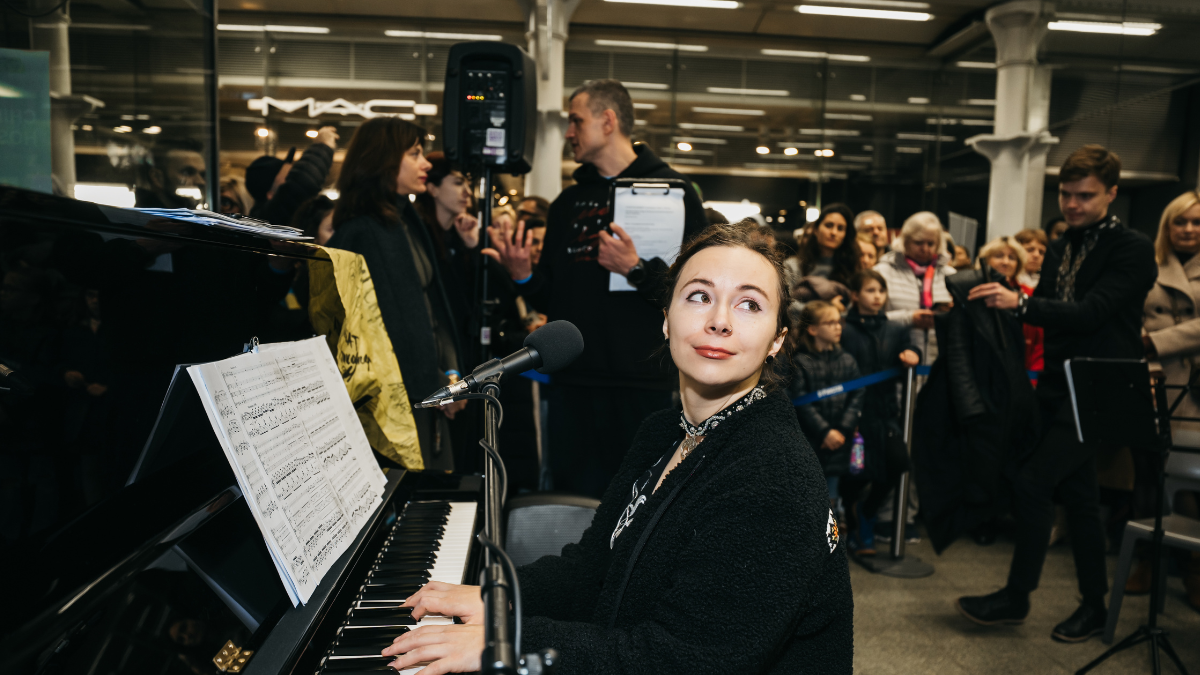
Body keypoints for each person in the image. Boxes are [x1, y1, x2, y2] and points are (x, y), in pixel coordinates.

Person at [384, 220, 854, 674]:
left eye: (749, 305)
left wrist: (509, 638)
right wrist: (499, 596)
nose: (719, 321)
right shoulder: (664, 430)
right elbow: (595, 569)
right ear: (666, 319)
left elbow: (685, 660)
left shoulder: (773, 479)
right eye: (699, 296)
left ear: (777, 340)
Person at [961, 144, 1158, 642]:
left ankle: (1017, 596)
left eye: (1085, 195)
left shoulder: (1132, 248)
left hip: (1102, 388)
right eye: (1066, 194)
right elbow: (1052, 306)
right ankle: (1093, 606)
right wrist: (1013, 299)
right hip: (1058, 383)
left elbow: (1093, 312)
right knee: (1081, 499)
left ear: (1112, 193)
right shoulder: (1063, 243)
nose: (1072, 204)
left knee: (1033, 483)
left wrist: (1022, 303)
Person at [482, 78, 708, 498]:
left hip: (641, 385)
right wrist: (522, 276)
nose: (568, 132)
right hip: (573, 387)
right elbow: (551, 298)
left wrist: (636, 269)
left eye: (575, 121)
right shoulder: (569, 202)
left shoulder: (674, 193)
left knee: (638, 505)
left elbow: (695, 294)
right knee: (573, 504)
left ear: (608, 121)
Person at [325, 118, 464, 471]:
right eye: (415, 153)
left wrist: (447, 374)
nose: (426, 163)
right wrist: (437, 382)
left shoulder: (402, 221)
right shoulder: (361, 232)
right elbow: (375, 335)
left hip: (425, 392)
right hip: (393, 407)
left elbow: (430, 309)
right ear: (384, 159)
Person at [913, 236, 1039, 552]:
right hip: (978, 400)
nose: (1006, 261)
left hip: (1007, 395)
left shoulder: (1018, 302)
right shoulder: (966, 301)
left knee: (1001, 460)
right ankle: (978, 519)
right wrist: (971, 407)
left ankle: (990, 516)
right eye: (999, 255)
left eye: (1012, 257)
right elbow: (957, 356)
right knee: (978, 462)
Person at [1137, 189, 1200, 609]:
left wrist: (1155, 341)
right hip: (1152, 381)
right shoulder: (1148, 264)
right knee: (1146, 473)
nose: (1190, 229)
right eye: (1181, 221)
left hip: (1193, 385)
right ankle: (1146, 558)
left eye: (1197, 222)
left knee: (1190, 477)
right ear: (1167, 224)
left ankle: (1193, 565)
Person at [839, 270, 919, 555]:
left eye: (881, 291)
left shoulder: (895, 329)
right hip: (853, 415)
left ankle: (866, 512)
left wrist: (912, 354)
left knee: (898, 463)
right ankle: (854, 526)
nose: (877, 296)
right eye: (870, 290)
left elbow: (909, 347)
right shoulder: (843, 327)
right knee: (854, 473)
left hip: (885, 414)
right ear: (855, 295)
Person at [788, 300, 864, 521]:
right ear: (812, 329)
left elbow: (857, 394)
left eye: (838, 322)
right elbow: (801, 401)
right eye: (830, 323)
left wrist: (841, 429)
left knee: (832, 492)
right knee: (808, 493)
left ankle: (831, 541)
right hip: (812, 440)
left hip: (839, 439)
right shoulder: (801, 362)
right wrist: (824, 432)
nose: (838, 327)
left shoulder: (848, 360)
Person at [874, 211, 956, 365]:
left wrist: (950, 313)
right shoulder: (881, 272)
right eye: (918, 243)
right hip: (896, 359)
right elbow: (868, 318)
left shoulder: (951, 276)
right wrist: (909, 318)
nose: (925, 248)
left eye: (931, 243)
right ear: (905, 241)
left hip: (939, 361)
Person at [244, 126, 338, 228]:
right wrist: (322, 146)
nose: (293, 175)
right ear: (270, 194)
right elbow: (302, 183)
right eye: (289, 177)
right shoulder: (270, 217)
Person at [134, 137, 207, 209]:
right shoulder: (142, 219)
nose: (201, 181)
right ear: (156, 177)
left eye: (202, 175)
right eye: (187, 173)